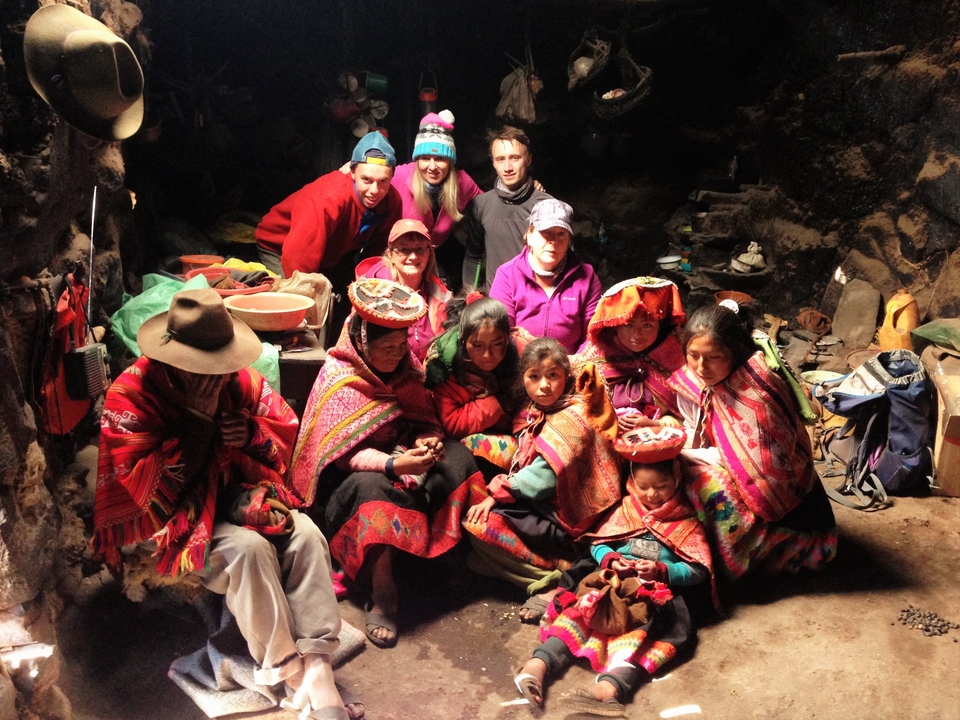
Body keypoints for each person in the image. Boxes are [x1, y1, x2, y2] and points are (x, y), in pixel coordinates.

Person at [93, 288, 358, 720]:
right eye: (203, 370)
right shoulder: (132, 396)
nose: (215, 377)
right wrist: (198, 425)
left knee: (306, 534)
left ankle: (319, 663)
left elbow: (283, 437)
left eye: (221, 366)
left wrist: (250, 434)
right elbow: (149, 493)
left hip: (233, 499)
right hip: (171, 519)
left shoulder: (241, 382)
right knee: (248, 551)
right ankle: (289, 671)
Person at [290, 278, 484, 649]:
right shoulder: (340, 378)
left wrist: (425, 441)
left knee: (456, 457)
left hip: (402, 460)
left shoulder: (406, 370)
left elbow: (423, 418)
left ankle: (443, 559)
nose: (399, 354)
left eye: (402, 345)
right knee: (372, 487)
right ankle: (383, 592)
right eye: (388, 348)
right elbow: (341, 455)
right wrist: (396, 466)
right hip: (349, 485)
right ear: (363, 343)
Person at [514, 440, 713, 716]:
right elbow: (599, 542)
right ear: (632, 482)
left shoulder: (686, 521)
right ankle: (538, 665)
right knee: (580, 614)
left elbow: (698, 570)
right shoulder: (626, 510)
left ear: (677, 479)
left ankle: (611, 689)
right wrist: (610, 559)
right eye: (643, 487)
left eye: (661, 486)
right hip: (611, 583)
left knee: (644, 639)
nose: (652, 494)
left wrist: (662, 571)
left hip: (653, 594)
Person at [667, 302, 838, 578]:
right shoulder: (693, 381)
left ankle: (736, 560)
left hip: (792, 512)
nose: (701, 367)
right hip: (729, 466)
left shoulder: (757, 393)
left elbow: (743, 461)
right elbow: (694, 428)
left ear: (733, 352)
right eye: (693, 355)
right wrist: (665, 433)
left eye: (713, 357)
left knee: (707, 487)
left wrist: (677, 450)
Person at [464, 338, 622, 623]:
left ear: (567, 376)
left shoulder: (574, 415)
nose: (544, 385)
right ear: (523, 378)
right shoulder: (542, 409)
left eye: (553, 376)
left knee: (480, 528)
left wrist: (494, 494)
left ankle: (553, 582)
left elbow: (541, 479)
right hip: (551, 508)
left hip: (573, 520)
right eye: (534, 377)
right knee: (475, 557)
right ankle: (564, 567)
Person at [255, 132, 402, 336]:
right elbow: (299, 262)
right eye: (366, 179)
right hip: (280, 247)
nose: (374, 190)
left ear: (392, 177)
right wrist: (308, 310)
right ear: (352, 172)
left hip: (332, 253)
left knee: (343, 306)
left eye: (383, 181)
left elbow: (380, 251)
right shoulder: (328, 199)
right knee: (298, 316)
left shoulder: (391, 201)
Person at [428, 294, 528, 476]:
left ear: (508, 337)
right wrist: (497, 403)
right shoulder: (447, 368)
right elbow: (451, 424)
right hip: (471, 441)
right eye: (477, 346)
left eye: (497, 344)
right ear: (463, 341)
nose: (488, 355)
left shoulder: (523, 352)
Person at [489, 198, 602, 353]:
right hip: (520, 365)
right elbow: (500, 331)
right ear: (529, 235)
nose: (553, 241)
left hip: (570, 365)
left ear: (569, 240)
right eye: (546, 232)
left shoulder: (587, 277)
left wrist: (572, 363)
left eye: (561, 233)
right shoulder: (507, 275)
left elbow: (593, 333)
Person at [575, 277, 686, 432]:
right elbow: (576, 403)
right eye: (628, 325)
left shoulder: (674, 356)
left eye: (647, 325)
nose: (637, 335)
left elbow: (688, 416)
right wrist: (608, 419)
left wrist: (656, 424)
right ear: (615, 326)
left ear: (660, 326)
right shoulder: (596, 353)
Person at [391, 110, 482, 285]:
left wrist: (527, 187)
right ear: (417, 160)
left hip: (433, 255)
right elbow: (369, 177)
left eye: (440, 158)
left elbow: (490, 204)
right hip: (401, 258)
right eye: (425, 158)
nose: (432, 166)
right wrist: (352, 167)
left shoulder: (463, 183)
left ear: (450, 161)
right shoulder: (401, 176)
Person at [462, 126, 551, 289]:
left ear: (528, 160)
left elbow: (562, 259)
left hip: (535, 303)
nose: (507, 167)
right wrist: (469, 296)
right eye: (500, 159)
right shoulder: (481, 205)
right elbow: (473, 257)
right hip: (497, 304)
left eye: (515, 158)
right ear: (493, 163)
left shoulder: (546, 206)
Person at [356, 218, 451, 361]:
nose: (413, 256)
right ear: (390, 254)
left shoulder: (440, 293)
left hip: (427, 373)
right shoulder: (371, 293)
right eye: (404, 249)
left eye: (419, 249)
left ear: (428, 253)